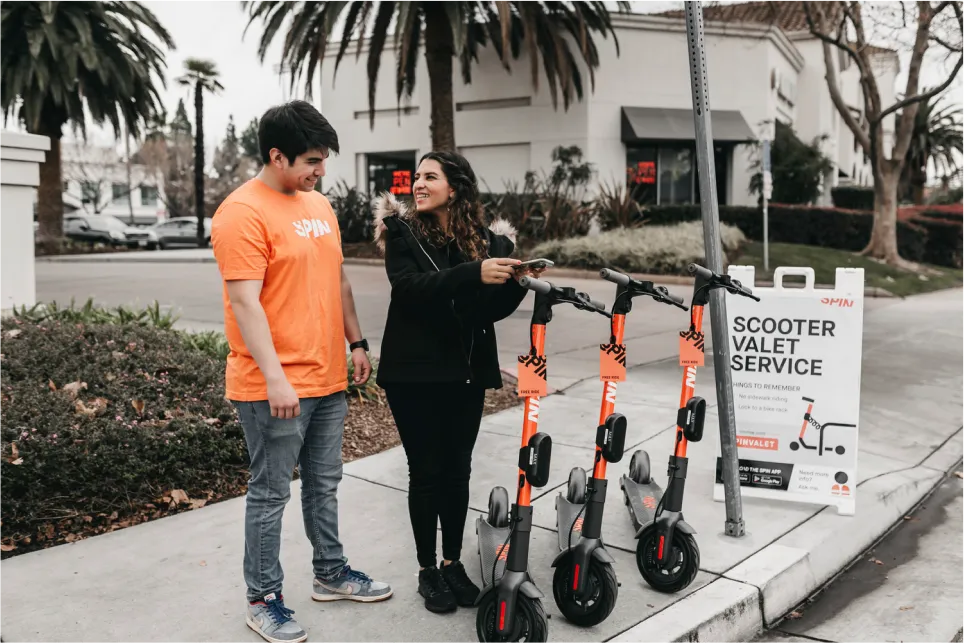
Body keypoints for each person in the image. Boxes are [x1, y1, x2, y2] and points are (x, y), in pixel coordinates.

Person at [211, 100, 392, 643]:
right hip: (275, 385)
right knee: (271, 494)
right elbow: (245, 303)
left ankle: (331, 574)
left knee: (324, 484)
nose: (321, 171)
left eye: (323, 160)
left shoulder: (318, 205)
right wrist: (275, 379)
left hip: (327, 376)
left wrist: (356, 343)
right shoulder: (241, 213)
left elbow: (336, 282)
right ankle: (263, 598)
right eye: (312, 160)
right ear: (277, 154)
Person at [372, 151, 544, 615]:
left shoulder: (485, 242)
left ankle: (452, 563)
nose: (419, 185)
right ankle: (428, 570)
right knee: (425, 472)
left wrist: (513, 282)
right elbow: (409, 289)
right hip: (414, 373)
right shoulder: (402, 232)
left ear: (456, 187)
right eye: (417, 177)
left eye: (431, 177)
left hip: (464, 373)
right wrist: (474, 272)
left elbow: (481, 311)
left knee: (458, 470)